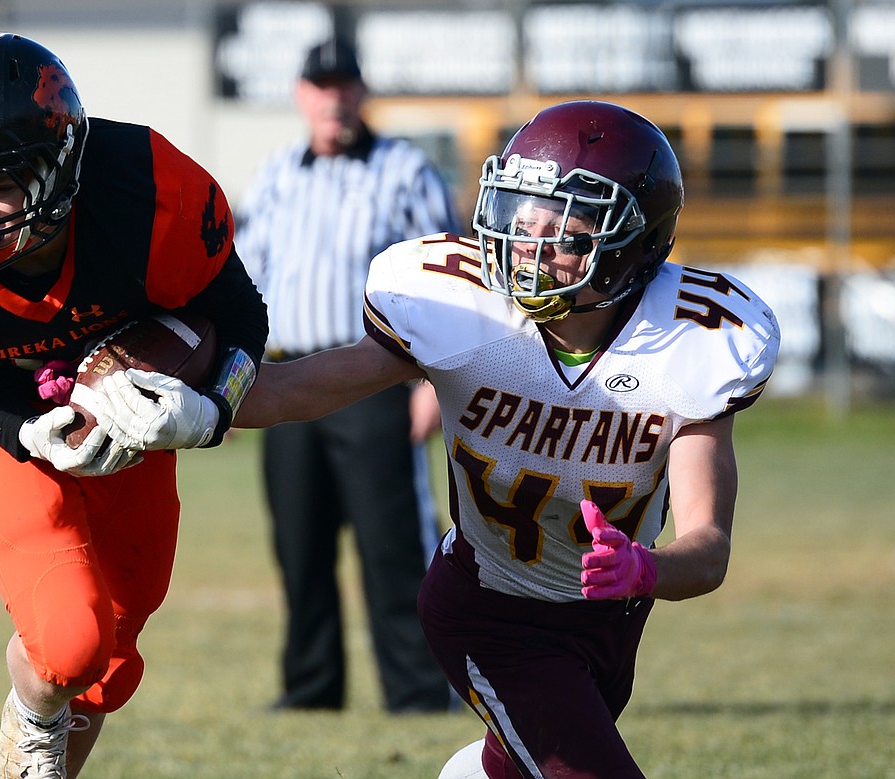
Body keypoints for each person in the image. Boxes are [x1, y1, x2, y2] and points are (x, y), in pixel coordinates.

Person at [100, 100, 781, 777]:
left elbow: (708, 548)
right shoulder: (460, 309)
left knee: (521, 763)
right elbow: (301, 387)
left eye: (566, 223)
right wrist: (198, 409)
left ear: (635, 242)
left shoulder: (693, 342)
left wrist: (647, 568)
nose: (530, 239)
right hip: (488, 608)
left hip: (608, 620)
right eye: (522, 210)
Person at [0, 33, 267, 779]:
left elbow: (239, 319)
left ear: (59, 167)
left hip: (121, 412)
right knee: (67, 642)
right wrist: (20, 429)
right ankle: (33, 736)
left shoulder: (149, 197)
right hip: (3, 418)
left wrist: (209, 410)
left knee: (115, 655)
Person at [231, 37, 460, 713]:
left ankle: (421, 691)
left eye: (343, 85)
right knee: (299, 547)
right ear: (303, 95)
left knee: (393, 547)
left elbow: (444, 281)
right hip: (284, 381)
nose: (332, 98)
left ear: (361, 93)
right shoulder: (276, 173)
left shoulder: (404, 170)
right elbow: (246, 279)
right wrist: (231, 381)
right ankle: (310, 689)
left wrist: (434, 385)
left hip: (373, 380)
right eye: (319, 86)